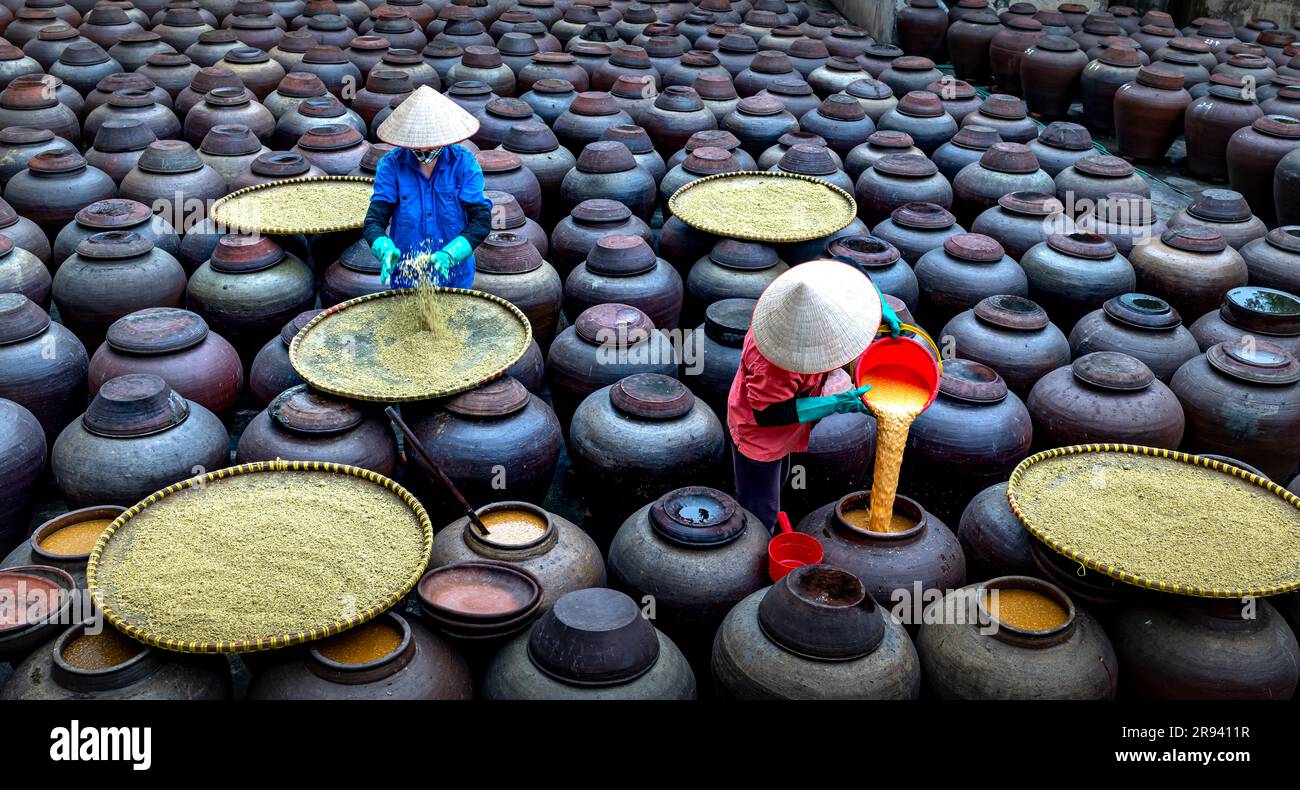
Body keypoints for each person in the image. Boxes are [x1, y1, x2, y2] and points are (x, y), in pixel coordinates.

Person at [727, 260, 901, 533]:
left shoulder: (815, 283)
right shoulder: (774, 362)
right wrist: (836, 403)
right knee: (761, 507)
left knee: (780, 479)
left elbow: (851, 269)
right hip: (760, 434)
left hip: (790, 419)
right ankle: (756, 546)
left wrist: (880, 305)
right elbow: (768, 414)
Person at [363, 85, 493, 289]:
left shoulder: (464, 164)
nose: (424, 150)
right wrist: (383, 246)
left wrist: (450, 255)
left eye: (430, 144)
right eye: (418, 144)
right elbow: (374, 220)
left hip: (455, 274)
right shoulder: (391, 165)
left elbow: (481, 220)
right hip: (407, 273)